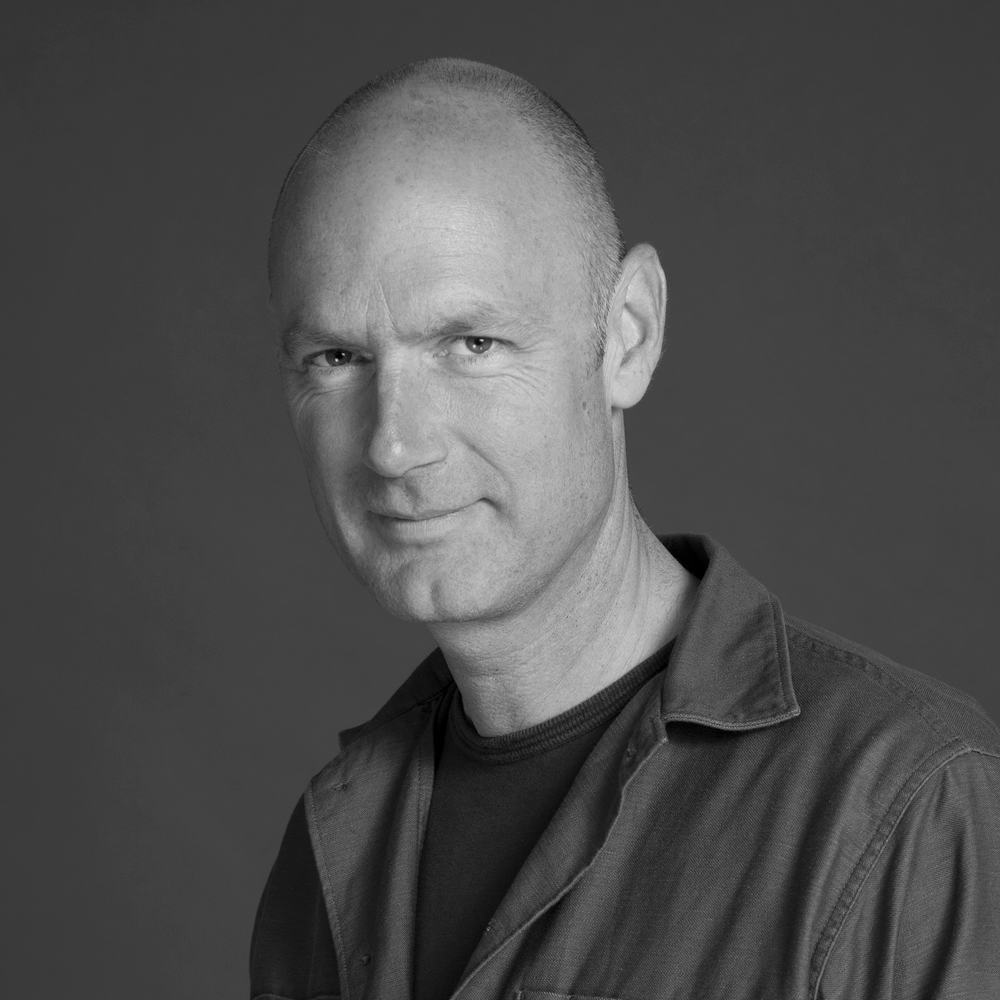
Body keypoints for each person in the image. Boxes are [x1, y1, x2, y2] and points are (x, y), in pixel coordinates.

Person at [251, 58, 1000, 1000]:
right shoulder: (330, 851)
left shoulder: (910, 806)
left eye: (472, 344)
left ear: (628, 335)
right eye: (337, 358)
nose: (393, 444)